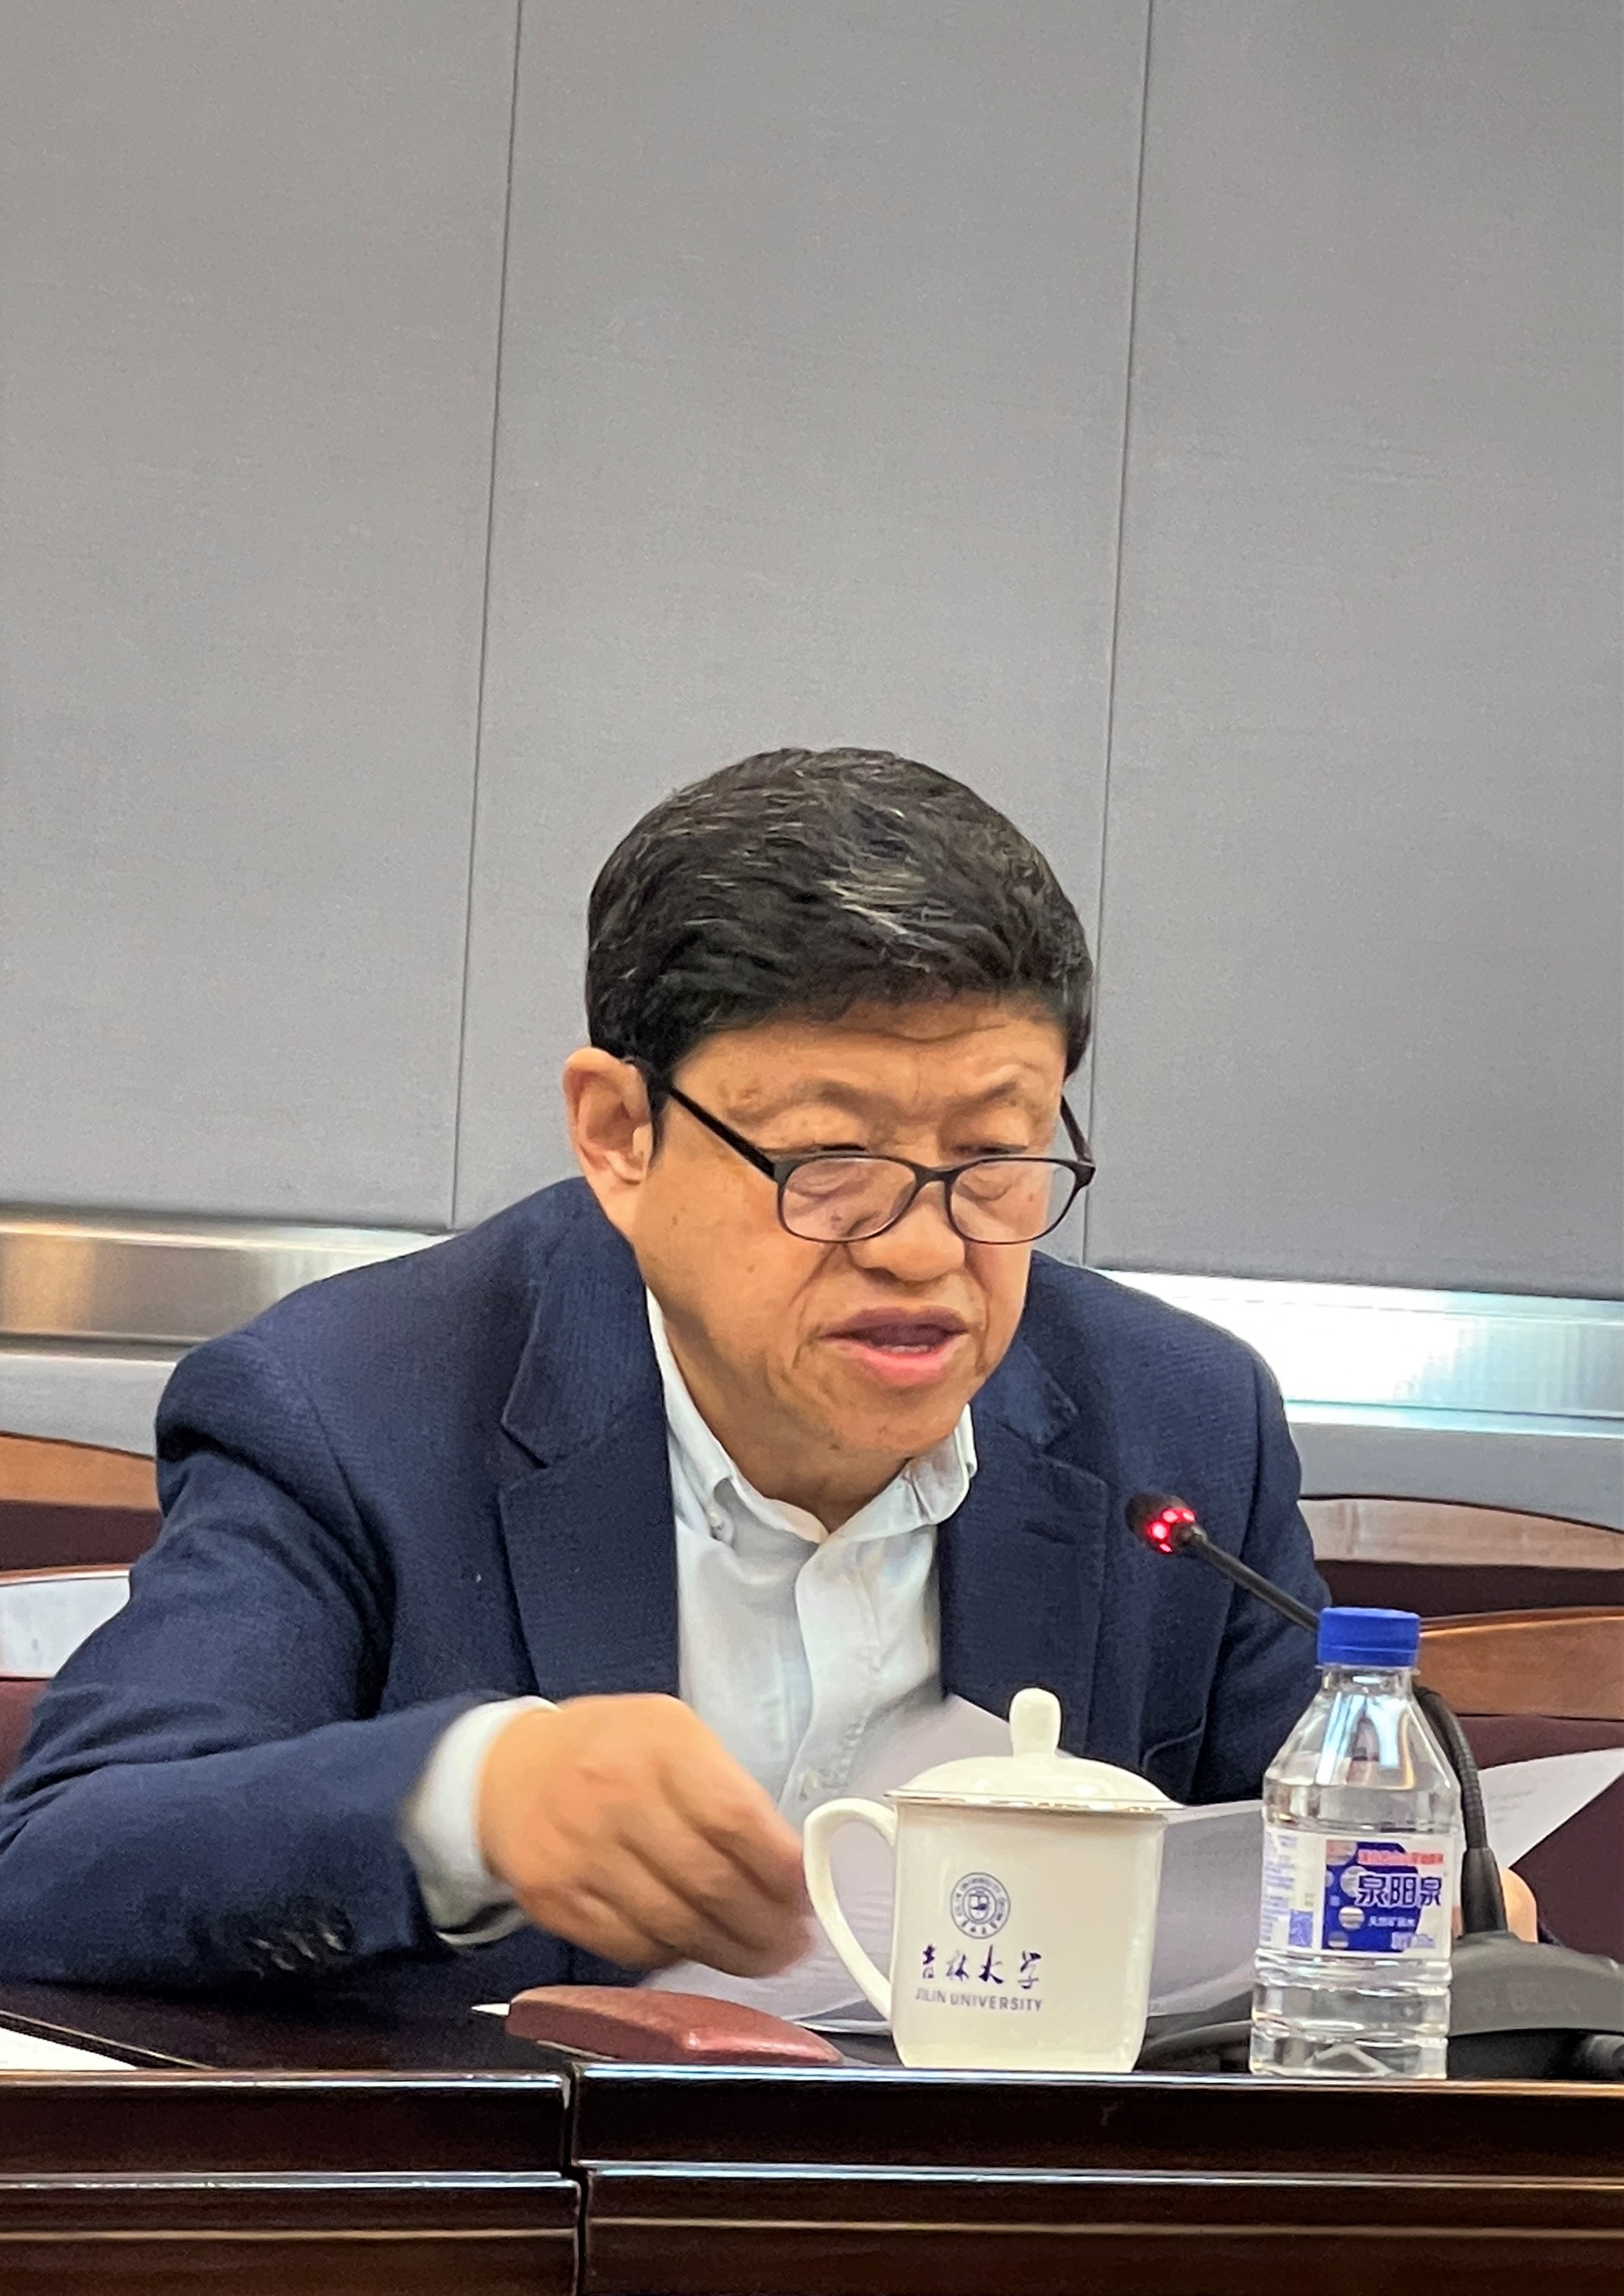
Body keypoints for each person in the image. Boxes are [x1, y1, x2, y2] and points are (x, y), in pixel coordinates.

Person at [0, 747, 1332, 2013]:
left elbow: (1344, 1885)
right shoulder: (350, 1409)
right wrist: (476, 1800)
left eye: (993, 1158)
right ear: (620, 1134)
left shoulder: (1184, 1428)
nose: (925, 1250)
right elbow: (57, 1858)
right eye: (831, 1164)